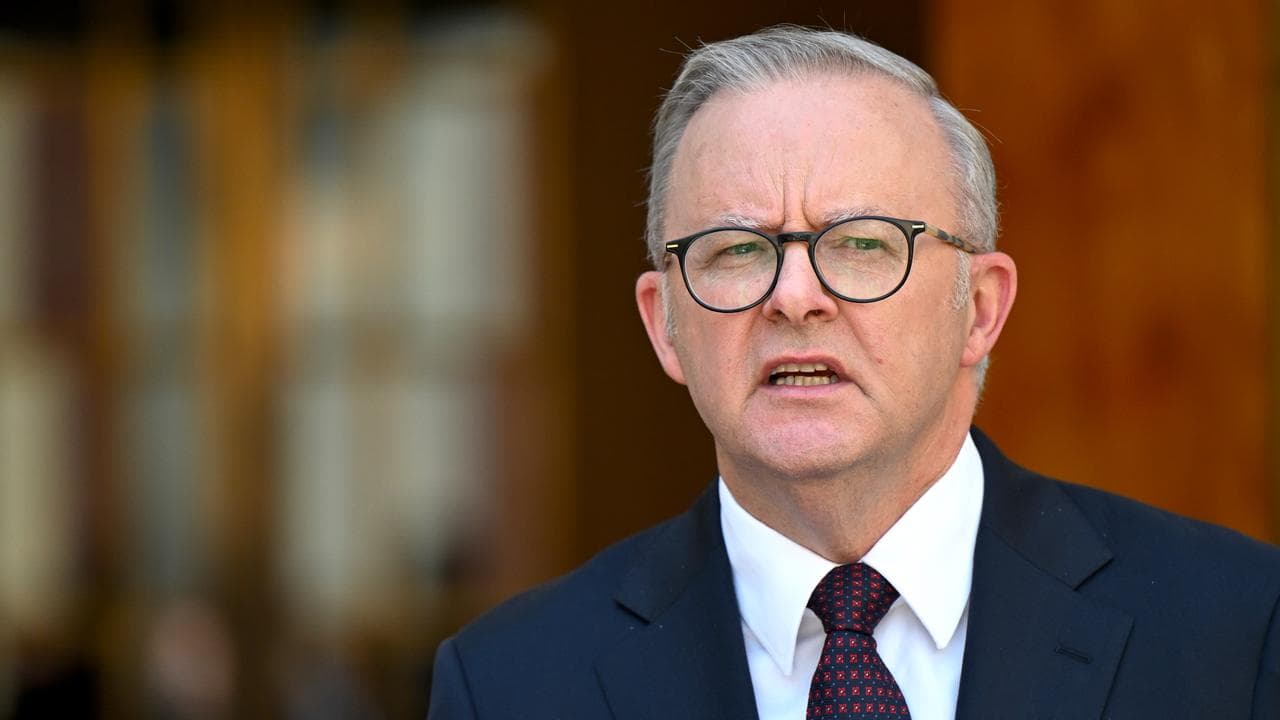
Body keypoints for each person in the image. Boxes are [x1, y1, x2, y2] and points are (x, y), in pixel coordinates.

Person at [428, 26, 1280, 719]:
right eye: (736, 250)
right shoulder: (511, 684)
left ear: (980, 309)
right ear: (665, 326)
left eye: (863, 243)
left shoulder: (1237, 632)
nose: (795, 298)